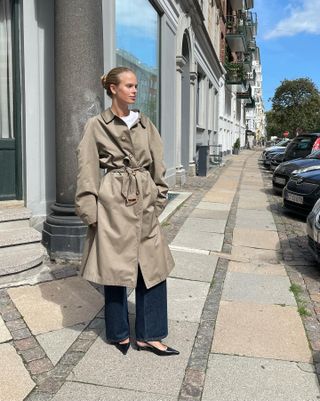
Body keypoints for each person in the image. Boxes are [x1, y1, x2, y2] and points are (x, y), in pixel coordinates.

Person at [75, 67, 179, 356]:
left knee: (154, 266)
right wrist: (90, 210)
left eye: (135, 86)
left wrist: (159, 198)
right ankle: (118, 333)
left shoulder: (146, 124)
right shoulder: (96, 124)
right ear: (113, 89)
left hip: (144, 198)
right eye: (129, 86)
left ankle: (151, 335)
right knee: (115, 267)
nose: (134, 90)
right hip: (112, 201)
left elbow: (159, 164)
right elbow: (86, 168)